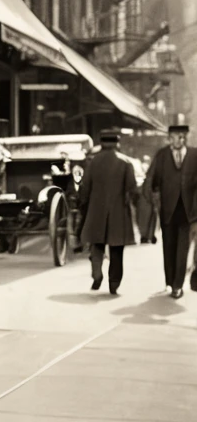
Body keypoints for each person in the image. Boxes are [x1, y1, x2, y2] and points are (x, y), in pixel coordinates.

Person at [77, 129, 137, 295]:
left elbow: (85, 187)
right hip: (118, 212)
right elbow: (132, 187)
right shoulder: (126, 163)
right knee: (117, 250)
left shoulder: (93, 163)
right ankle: (114, 283)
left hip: (96, 210)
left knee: (97, 244)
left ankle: (97, 274)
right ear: (117, 143)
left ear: (101, 143)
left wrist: (84, 205)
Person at [142, 122, 197, 299]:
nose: (178, 140)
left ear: (185, 138)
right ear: (169, 138)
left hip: (189, 212)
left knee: (183, 249)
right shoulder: (162, 156)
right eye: (174, 137)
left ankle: (177, 285)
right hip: (167, 211)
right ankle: (170, 280)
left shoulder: (195, 155)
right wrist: (153, 201)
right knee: (169, 248)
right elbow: (150, 180)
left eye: (181, 137)